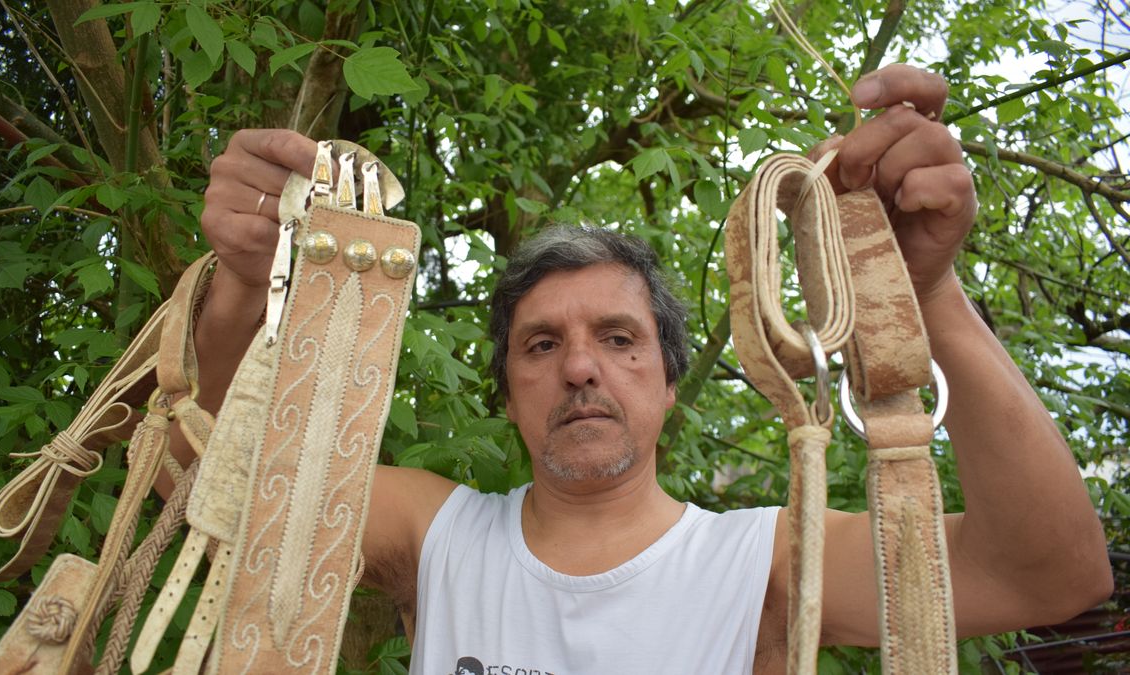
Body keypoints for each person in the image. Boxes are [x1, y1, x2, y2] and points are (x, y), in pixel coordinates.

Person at [191, 64, 1112, 673]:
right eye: (540, 344)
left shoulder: (760, 563)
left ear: (671, 384)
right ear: (507, 395)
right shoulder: (435, 534)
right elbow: (219, 482)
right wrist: (241, 286)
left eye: (619, 338)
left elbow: (1049, 574)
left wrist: (927, 292)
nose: (580, 367)